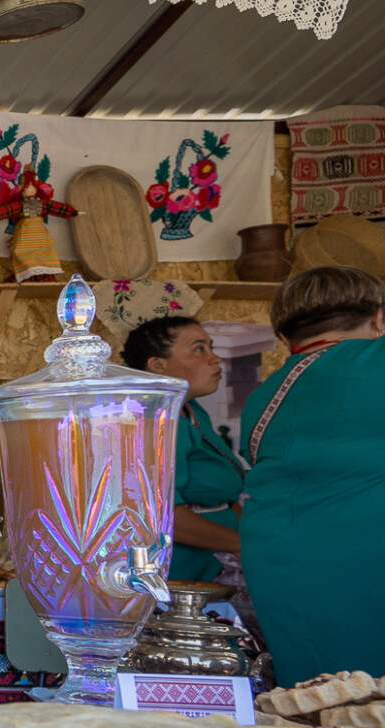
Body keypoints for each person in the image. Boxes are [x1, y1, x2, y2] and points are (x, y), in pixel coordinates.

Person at [239, 266, 385, 684]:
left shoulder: (264, 395)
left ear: (285, 337)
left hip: (280, 566)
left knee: (317, 697)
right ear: (377, 317)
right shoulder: (376, 359)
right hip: (368, 554)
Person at [119, 316, 244, 584]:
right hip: (176, 578)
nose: (215, 359)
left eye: (210, 347)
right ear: (158, 365)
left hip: (209, 570)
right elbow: (160, 515)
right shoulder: (153, 420)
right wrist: (243, 545)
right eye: (199, 349)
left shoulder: (190, 410)